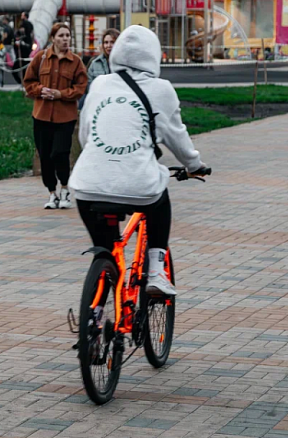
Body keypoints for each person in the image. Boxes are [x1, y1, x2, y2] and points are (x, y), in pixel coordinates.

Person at [69, 26, 207, 297]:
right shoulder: (161, 89)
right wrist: (194, 165)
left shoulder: (99, 84)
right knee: (160, 196)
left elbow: (86, 135)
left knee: (106, 250)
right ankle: (156, 271)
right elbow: (177, 138)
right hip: (138, 188)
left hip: (87, 186)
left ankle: (98, 309)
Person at [24, 23, 88, 210]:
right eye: (61, 36)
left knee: (59, 153)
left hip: (65, 117)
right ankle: (52, 193)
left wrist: (61, 94)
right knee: (45, 156)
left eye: (68, 35)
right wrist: (40, 90)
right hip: (41, 115)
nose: (65, 39)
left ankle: (65, 188)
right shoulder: (41, 58)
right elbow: (28, 82)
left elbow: (81, 87)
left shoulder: (76, 62)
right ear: (53, 38)